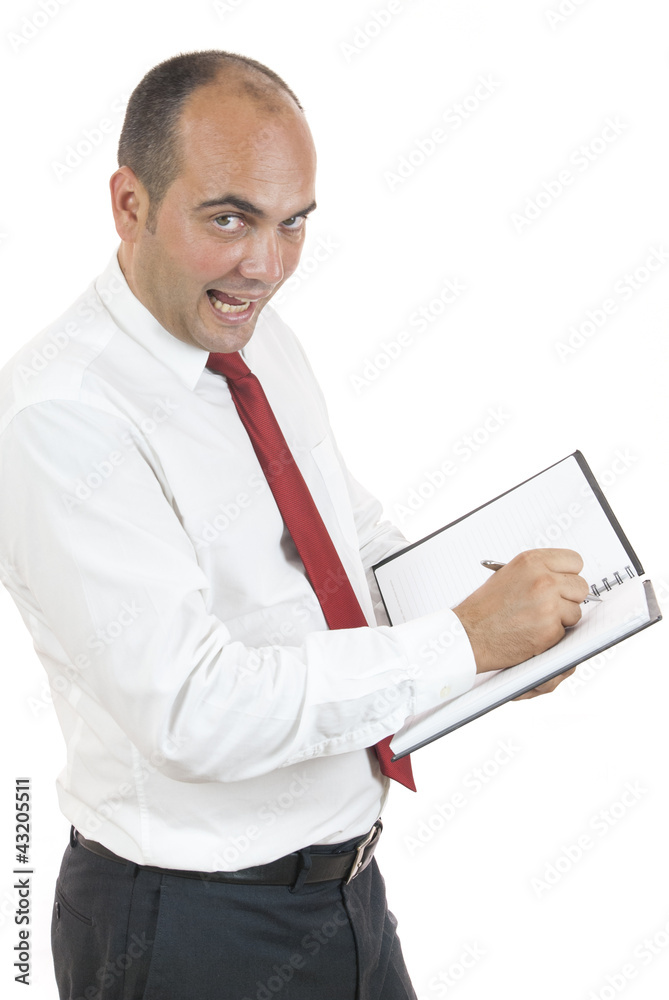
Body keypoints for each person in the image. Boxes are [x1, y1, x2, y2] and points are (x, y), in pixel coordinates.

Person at [0, 50, 588, 999]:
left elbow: (347, 542)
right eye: (229, 219)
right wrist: (461, 642)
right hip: (189, 929)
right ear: (129, 205)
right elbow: (191, 711)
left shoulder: (254, 335)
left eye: (293, 223)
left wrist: (494, 642)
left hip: (347, 895)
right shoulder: (63, 417)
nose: (266, 267)